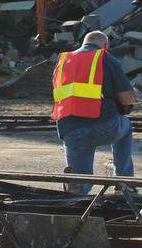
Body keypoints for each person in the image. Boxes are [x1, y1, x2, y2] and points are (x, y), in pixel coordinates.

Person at [52, 30, 137, 194]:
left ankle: (76, 186)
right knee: (126, 127)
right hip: (104, 125)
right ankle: (124, 182)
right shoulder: (105, 58)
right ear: (105, 45)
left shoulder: (62, 61)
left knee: (82, 179)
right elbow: (127, 98)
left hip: (69, 128)